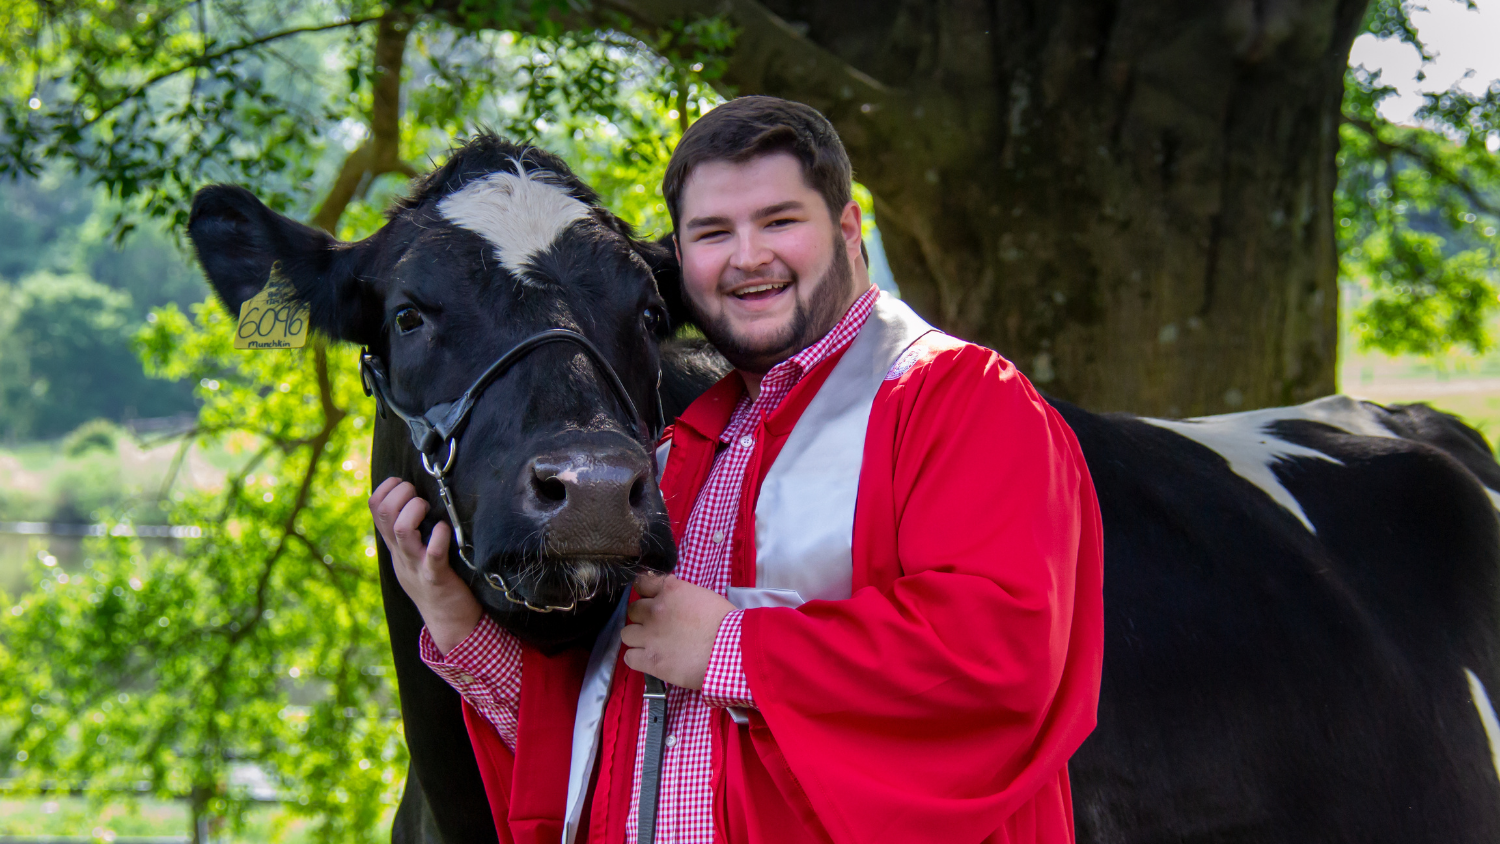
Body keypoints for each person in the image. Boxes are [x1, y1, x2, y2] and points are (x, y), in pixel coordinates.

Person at [369, 96, 1104, 844]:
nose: (748, 257)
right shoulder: (680, 453)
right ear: (682, 262)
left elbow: (1001, 660)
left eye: (780, 221)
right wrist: (455, 618)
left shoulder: (960, 399)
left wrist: (732, 648)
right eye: (714, 232)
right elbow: (599, 739)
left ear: (848, 231)